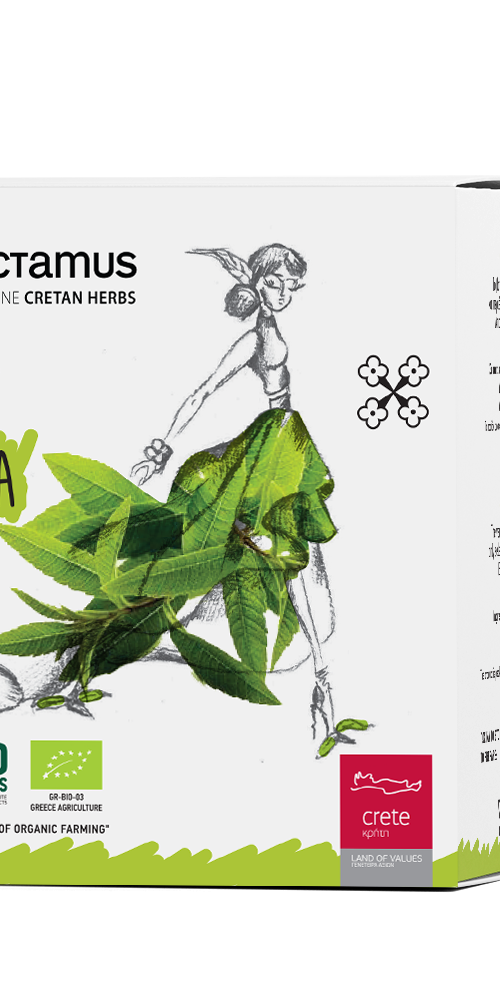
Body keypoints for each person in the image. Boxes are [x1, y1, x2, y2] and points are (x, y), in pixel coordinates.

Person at [130, 244, 339, 740]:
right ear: (257, 283)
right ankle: (323, 679)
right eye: (273, 284)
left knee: (292, 548)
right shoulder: (255, 337)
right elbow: (205, 389)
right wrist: (160, 450)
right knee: (289, 546)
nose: (283, 294)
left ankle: (322, 677)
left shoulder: (269, 327)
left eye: (290, 287)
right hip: (273, 441)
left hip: (282, 438)